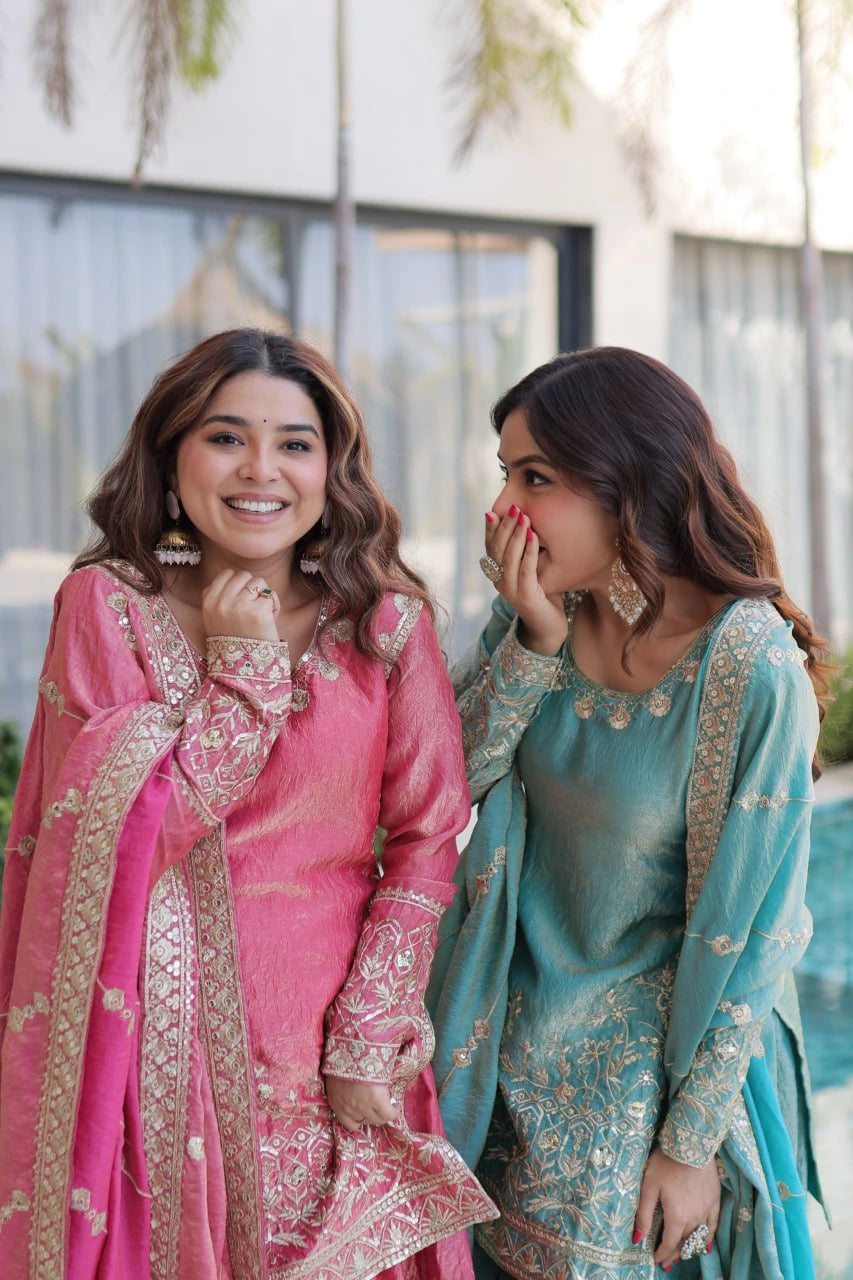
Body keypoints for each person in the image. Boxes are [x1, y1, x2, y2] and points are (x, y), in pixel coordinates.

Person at [0, 328, 495, 1280]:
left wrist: (367, 1029)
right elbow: (122, 840)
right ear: (171, 455)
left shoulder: (385, 623)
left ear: (331, 468)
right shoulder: (107, 607)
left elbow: (431, 836)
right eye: (226, 438)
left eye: (295, 444)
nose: (260, 470)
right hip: (151, 1064)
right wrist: (247, 673)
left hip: (331, 1061)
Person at [427, 347, 828, 1280]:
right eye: (504, 477)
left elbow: (762, 930)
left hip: (638, 1094)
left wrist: (688, 1149)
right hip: (492, 1051)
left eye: (537, 478)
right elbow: (443, 787)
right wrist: (531, 640)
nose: (502, 513)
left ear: (628, 481)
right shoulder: (541, 607)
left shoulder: (746, 667)